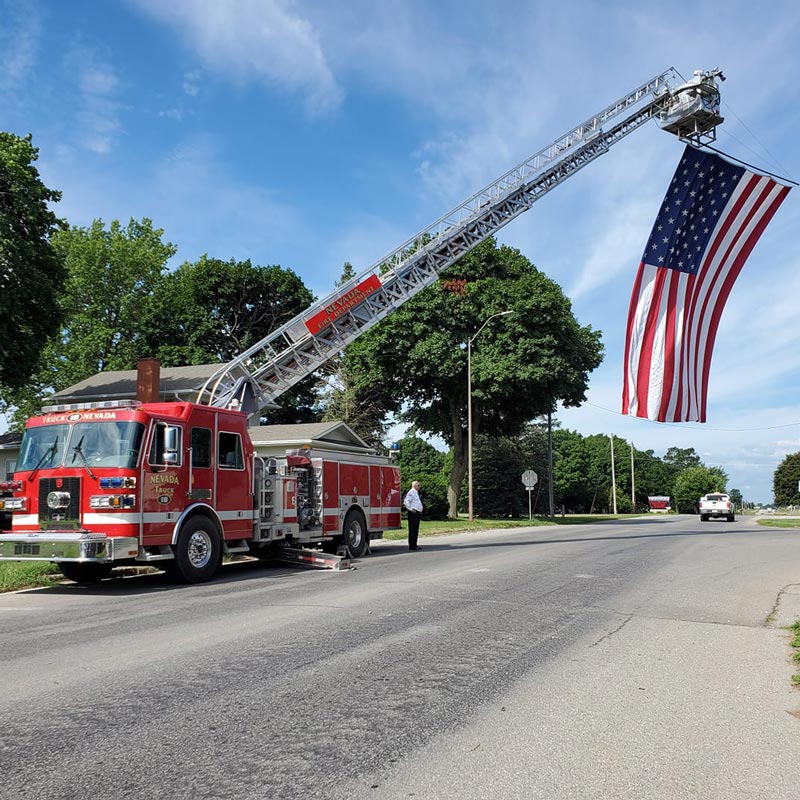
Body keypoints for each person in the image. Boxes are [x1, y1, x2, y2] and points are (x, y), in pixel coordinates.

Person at [404, 480, 423, 551]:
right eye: (418, 485)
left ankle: (414, 544)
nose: (419, 487)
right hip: (413, 513)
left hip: (417, 513)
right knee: (412, 529)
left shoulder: (415, 492)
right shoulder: (411, 492)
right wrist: (411, 509)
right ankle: (412, 545)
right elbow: (406, 501)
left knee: (415, 529)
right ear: (414, 485)